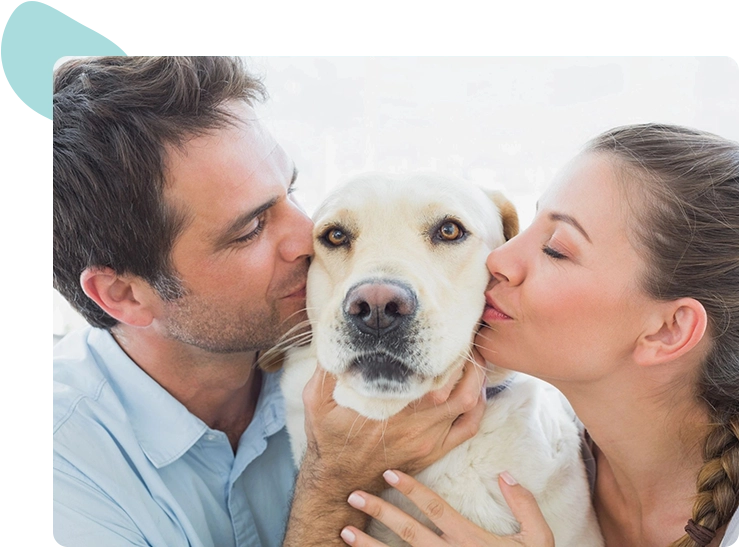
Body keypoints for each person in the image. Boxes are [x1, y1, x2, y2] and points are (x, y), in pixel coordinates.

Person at [51, 56, 487, 547]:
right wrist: (334, 485)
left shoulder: (352, 350)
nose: (309, 237)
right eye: (252, 229)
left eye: (291, 191)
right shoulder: (49, 471)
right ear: (125, 295)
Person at [338, 123, 739, 547]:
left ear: (667, 330)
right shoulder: (553, 458)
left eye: (556, 249)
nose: (499, 257)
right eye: (529, 225)